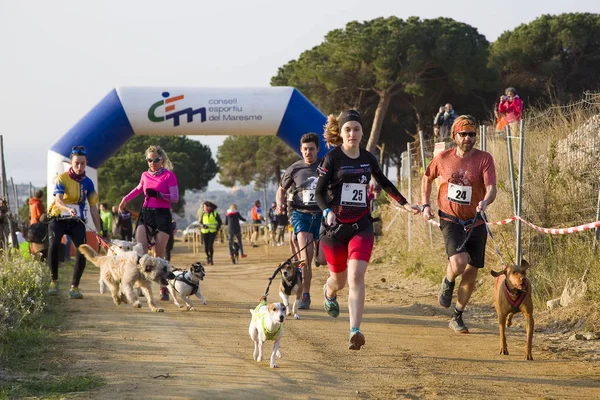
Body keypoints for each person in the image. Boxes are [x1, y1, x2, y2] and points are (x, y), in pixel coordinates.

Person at [315, 110, 420, 350]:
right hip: (333, 229)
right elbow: (319, 193)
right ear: (340, 133)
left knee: (355, 276)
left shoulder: (368, 158)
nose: (352, 133)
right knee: (339, 281)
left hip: (361, 226)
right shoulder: (331, 159)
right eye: (347, 129)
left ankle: (355, 330)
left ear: (363, 132)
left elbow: (384, 182)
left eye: (356, 129)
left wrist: (405, 203)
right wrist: (326, 211)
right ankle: (329, 291)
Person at [421, 115, 497, 333]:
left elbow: (491, 187)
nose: (467, 138)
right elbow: (427, 178)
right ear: (455, 135)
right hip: (450, 218)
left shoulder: (484, 159)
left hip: (475, 220)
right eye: (463, 134)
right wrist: (425, 205)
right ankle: (448, 279)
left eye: (471, 134)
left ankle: (457, 315)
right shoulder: (443, 158)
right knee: (459, 263)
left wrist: (486, 200)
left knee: (472, 270)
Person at [118, 145, 179, 300]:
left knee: (158, 253)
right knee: (141, 250)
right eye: (149, 160)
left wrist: (160, 195)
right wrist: (125, 199)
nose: (152, 162)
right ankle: (141, 285)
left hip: (163, 215)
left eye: (156, 160)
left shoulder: (169, 175)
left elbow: (175, 197)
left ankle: (163, 287)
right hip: (146, 213)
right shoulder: (145, 175)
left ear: (162, 160)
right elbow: (139, 189)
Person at [47, 145, 102, 299]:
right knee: (54, 245)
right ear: (71, 162)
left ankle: (75, 287)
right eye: (76, 163)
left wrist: (99, 232)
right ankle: (54, 281)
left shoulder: (88, 183)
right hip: (58, 218)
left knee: (82, 250)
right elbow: (57, 201)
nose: (79, 166)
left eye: (83, 163)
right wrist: (67, 208)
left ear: (86, 163)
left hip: (77, 220)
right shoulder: (62, 178)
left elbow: (93, 209)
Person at [277, 132, 323, 310]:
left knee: (322, 258)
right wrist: (280, 204)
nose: (308, 152)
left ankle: (318, 260)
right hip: (301, 215)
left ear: (317, 149)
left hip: (321, 215)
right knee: (306, 257)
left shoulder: (326, 165)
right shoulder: (294, 169)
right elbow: (281, 190)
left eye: (311, 149)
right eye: (305, 149)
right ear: (301, 150)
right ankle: (305, 295)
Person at [199, 201, 222, 265]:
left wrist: (217, 228)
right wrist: (203, 225)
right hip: (204, 231)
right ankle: (208, 256)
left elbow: (220, 222)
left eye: (205, 206)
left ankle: (211, 259)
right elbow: (200, 222)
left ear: (209, 207)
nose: (204, 208)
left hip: (212, 231)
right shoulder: (203, 214)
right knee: (206, 247)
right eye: (203, 207)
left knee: (210, 245)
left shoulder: (215, 213)